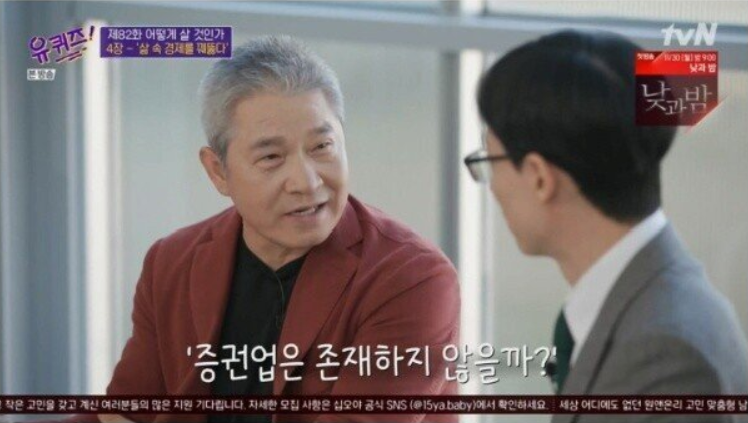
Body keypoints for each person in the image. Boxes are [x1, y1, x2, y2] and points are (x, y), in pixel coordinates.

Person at [78, 35, 460, 423]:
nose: (307, 182)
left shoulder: (412, 279)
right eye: (272, 157)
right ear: (217, 171)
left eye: (322, 147)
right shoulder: (172, 261)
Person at [465, 29, 748, 423]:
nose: (492, 187)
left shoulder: (667, 355)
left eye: (490, 162)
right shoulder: (644, 303)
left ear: (539, 177)